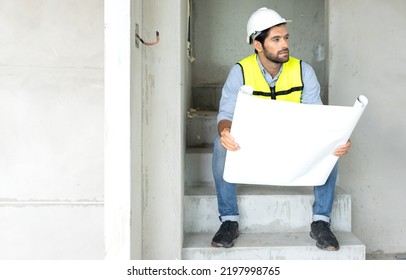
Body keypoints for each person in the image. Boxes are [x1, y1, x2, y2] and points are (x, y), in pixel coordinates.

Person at [211, 7, 352, 251]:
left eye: (285, 38)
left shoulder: (304, 71)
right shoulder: (240, 72)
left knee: (333, 148)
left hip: (293, 146)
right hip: (255, 147)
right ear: (258, 44)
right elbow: (225, 116)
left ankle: (321, 221)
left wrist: (336, 140)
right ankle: (228, 220)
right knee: (219, 145)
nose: (284, 44)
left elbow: (316, 120)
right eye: (276, 40)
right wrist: (225, 132)